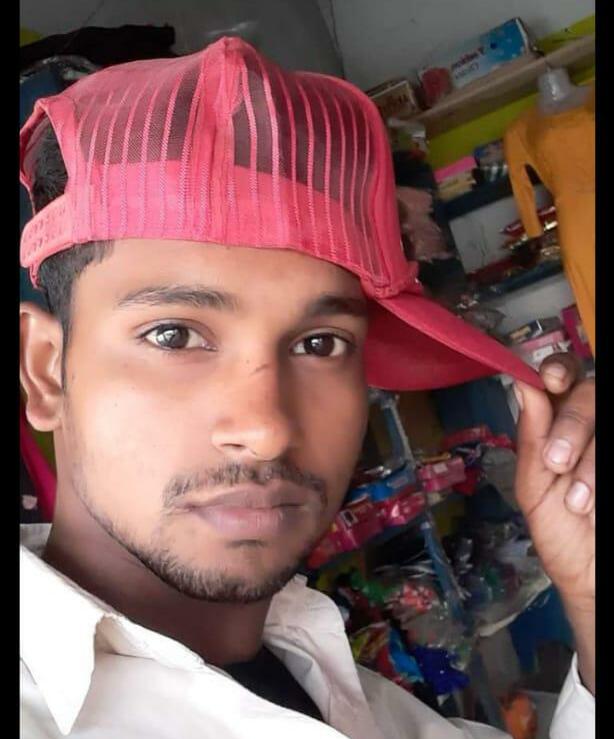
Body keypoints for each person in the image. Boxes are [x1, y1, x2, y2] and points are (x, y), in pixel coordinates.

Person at [19, 37, 594, 739]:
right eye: (173, 335)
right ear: (45, 369)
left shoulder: (350, 692)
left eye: (320, 344)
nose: (268, 430)